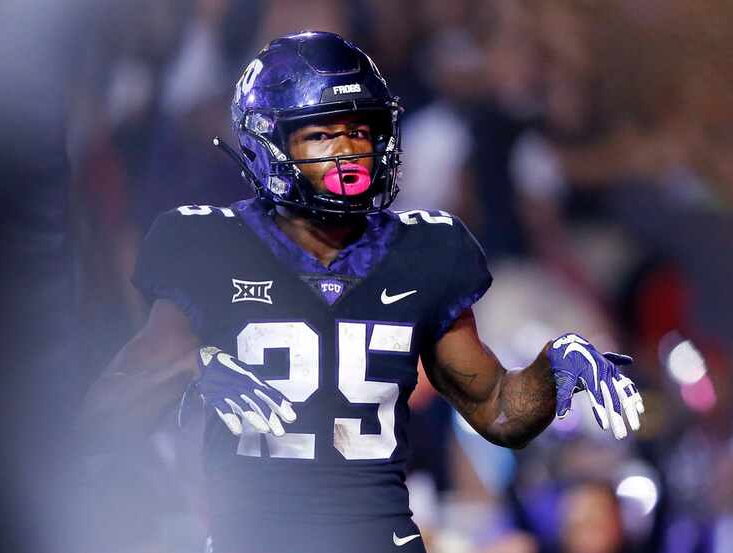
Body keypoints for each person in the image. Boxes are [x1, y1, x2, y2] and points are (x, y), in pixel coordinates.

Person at [78, 31, 644, 553]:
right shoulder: (207, 243)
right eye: (322, 134)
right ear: (267, 142)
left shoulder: (426, 250)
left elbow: (498, 412)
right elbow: (104, 412)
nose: (349, 151)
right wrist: (196, 370)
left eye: (360, 130)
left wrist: (552, 372)